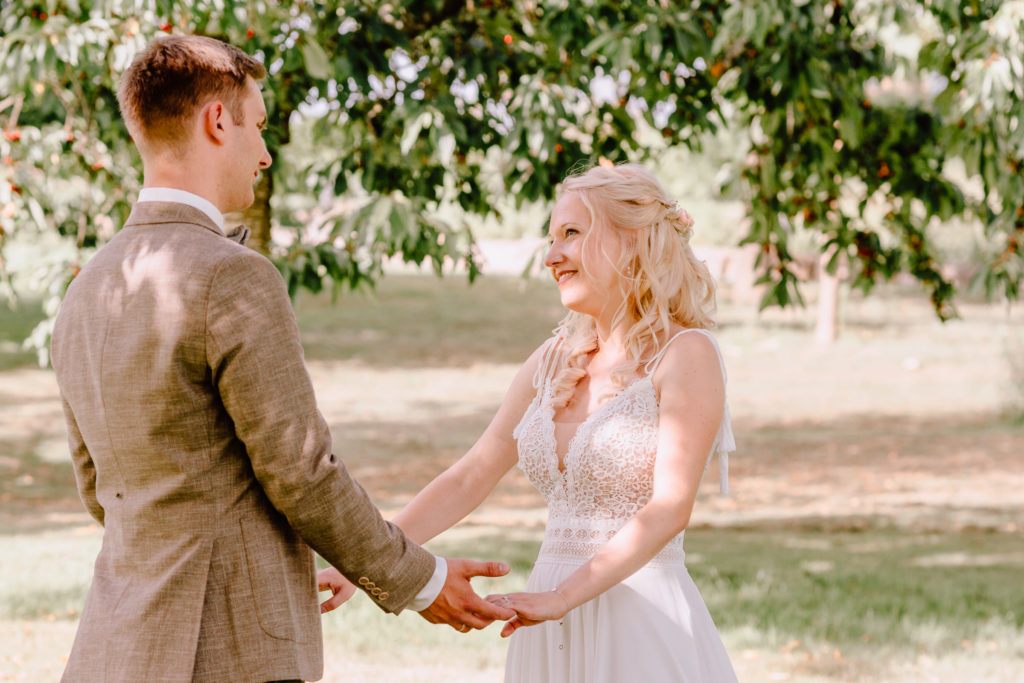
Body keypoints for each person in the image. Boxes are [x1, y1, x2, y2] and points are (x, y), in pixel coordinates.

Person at [50, 34, 512, 683]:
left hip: (112, 648)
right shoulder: (233, 276)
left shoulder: (87, 287)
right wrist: (422, 579)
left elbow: (101, 491)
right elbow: (302, 473)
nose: (265, 153)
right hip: (230, 654)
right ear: (217, 121)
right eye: (259, 127)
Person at [319, 163, 738, 681]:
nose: (551, 256)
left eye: (571, 234)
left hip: (638, 617)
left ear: (631, 240)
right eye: (551, 238)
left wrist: (563, 597)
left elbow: (670, 507)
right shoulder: (552, 359)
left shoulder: (686, 354)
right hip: (545, 624)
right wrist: (365, 564)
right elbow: (470, 475)